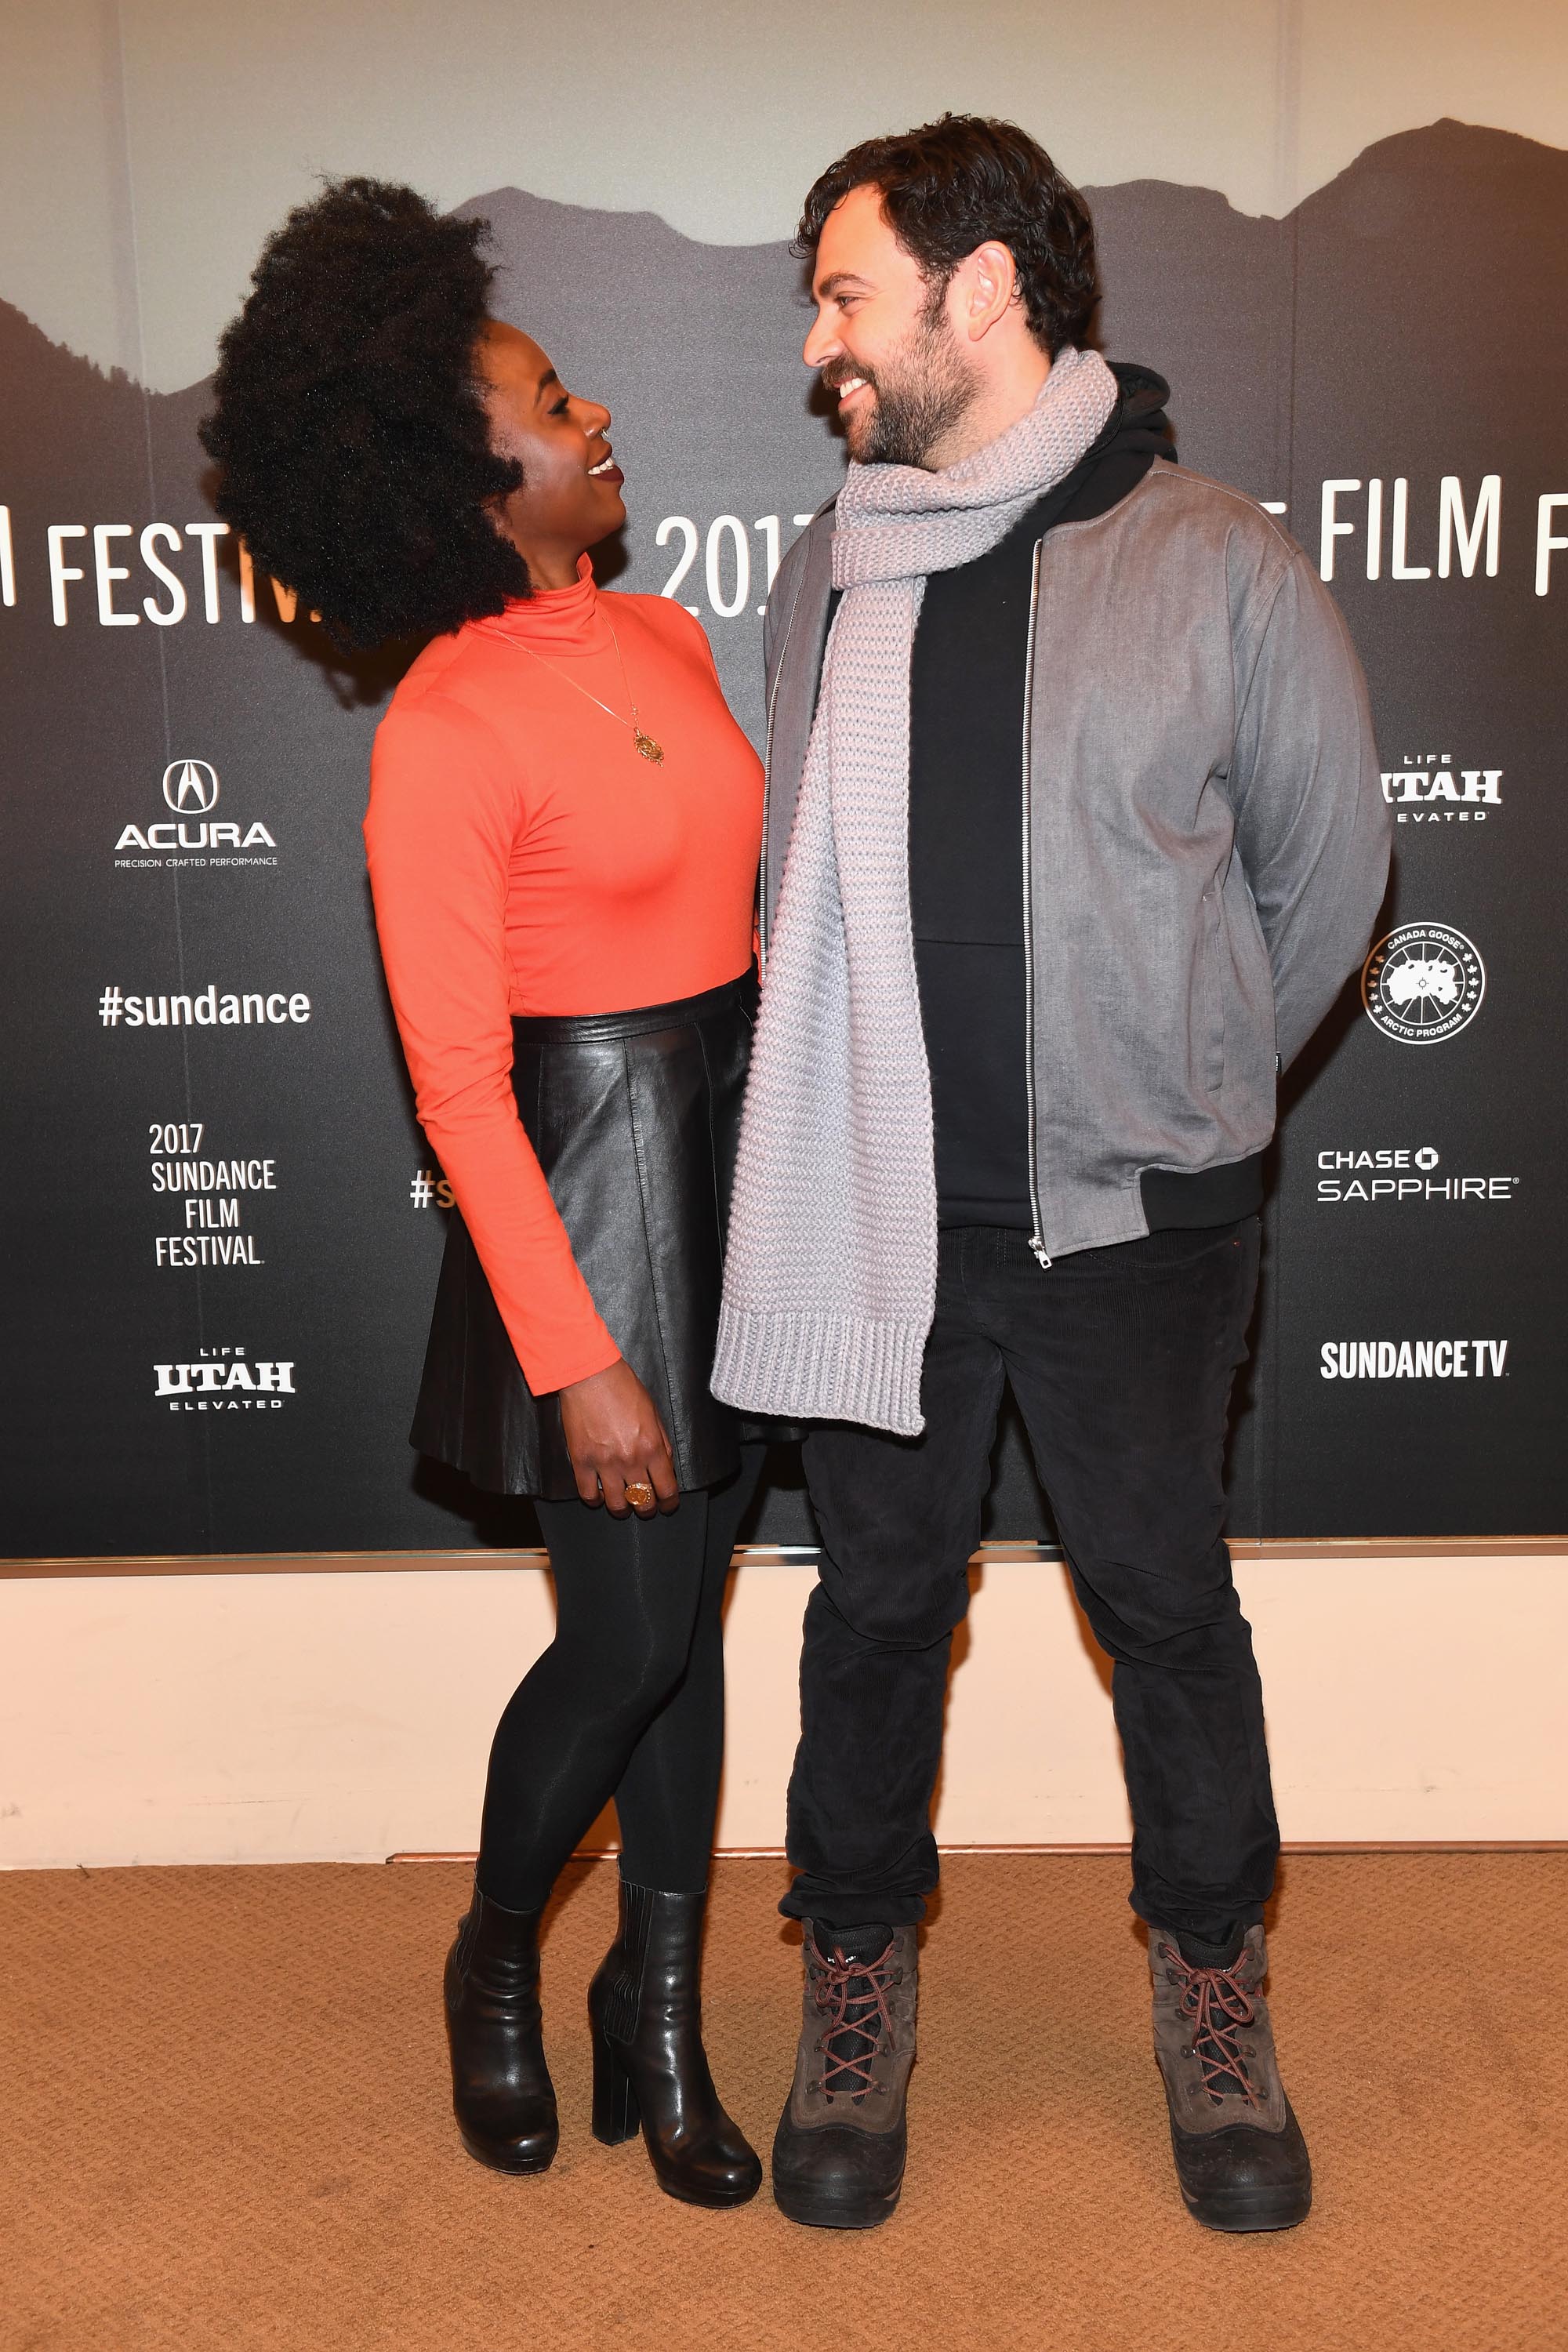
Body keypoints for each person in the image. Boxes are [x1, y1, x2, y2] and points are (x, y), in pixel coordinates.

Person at [714, 117, 1389, 2233]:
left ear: (974, 291)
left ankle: (1212, 1984)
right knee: (877, 1613)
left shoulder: (1217, 559)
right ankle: (855, 1976)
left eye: (846, 289)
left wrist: (1185, 1093)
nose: (820, 339)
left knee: (1166, 1613)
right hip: (878, 1216)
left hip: (1134, 1232)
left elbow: (1332, 874)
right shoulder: (826, 566)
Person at [201, 178, 764, 2209]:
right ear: (463, 476)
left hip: (725, 1158)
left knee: (694, 1629)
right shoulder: (438, 730)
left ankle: (669, 2018)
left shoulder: (675, 634)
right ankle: (499, 1958)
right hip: (589, 1194)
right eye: (548, 398)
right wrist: (577, 1350)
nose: (597, 413)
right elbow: (455, 1077)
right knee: (623, 1650)